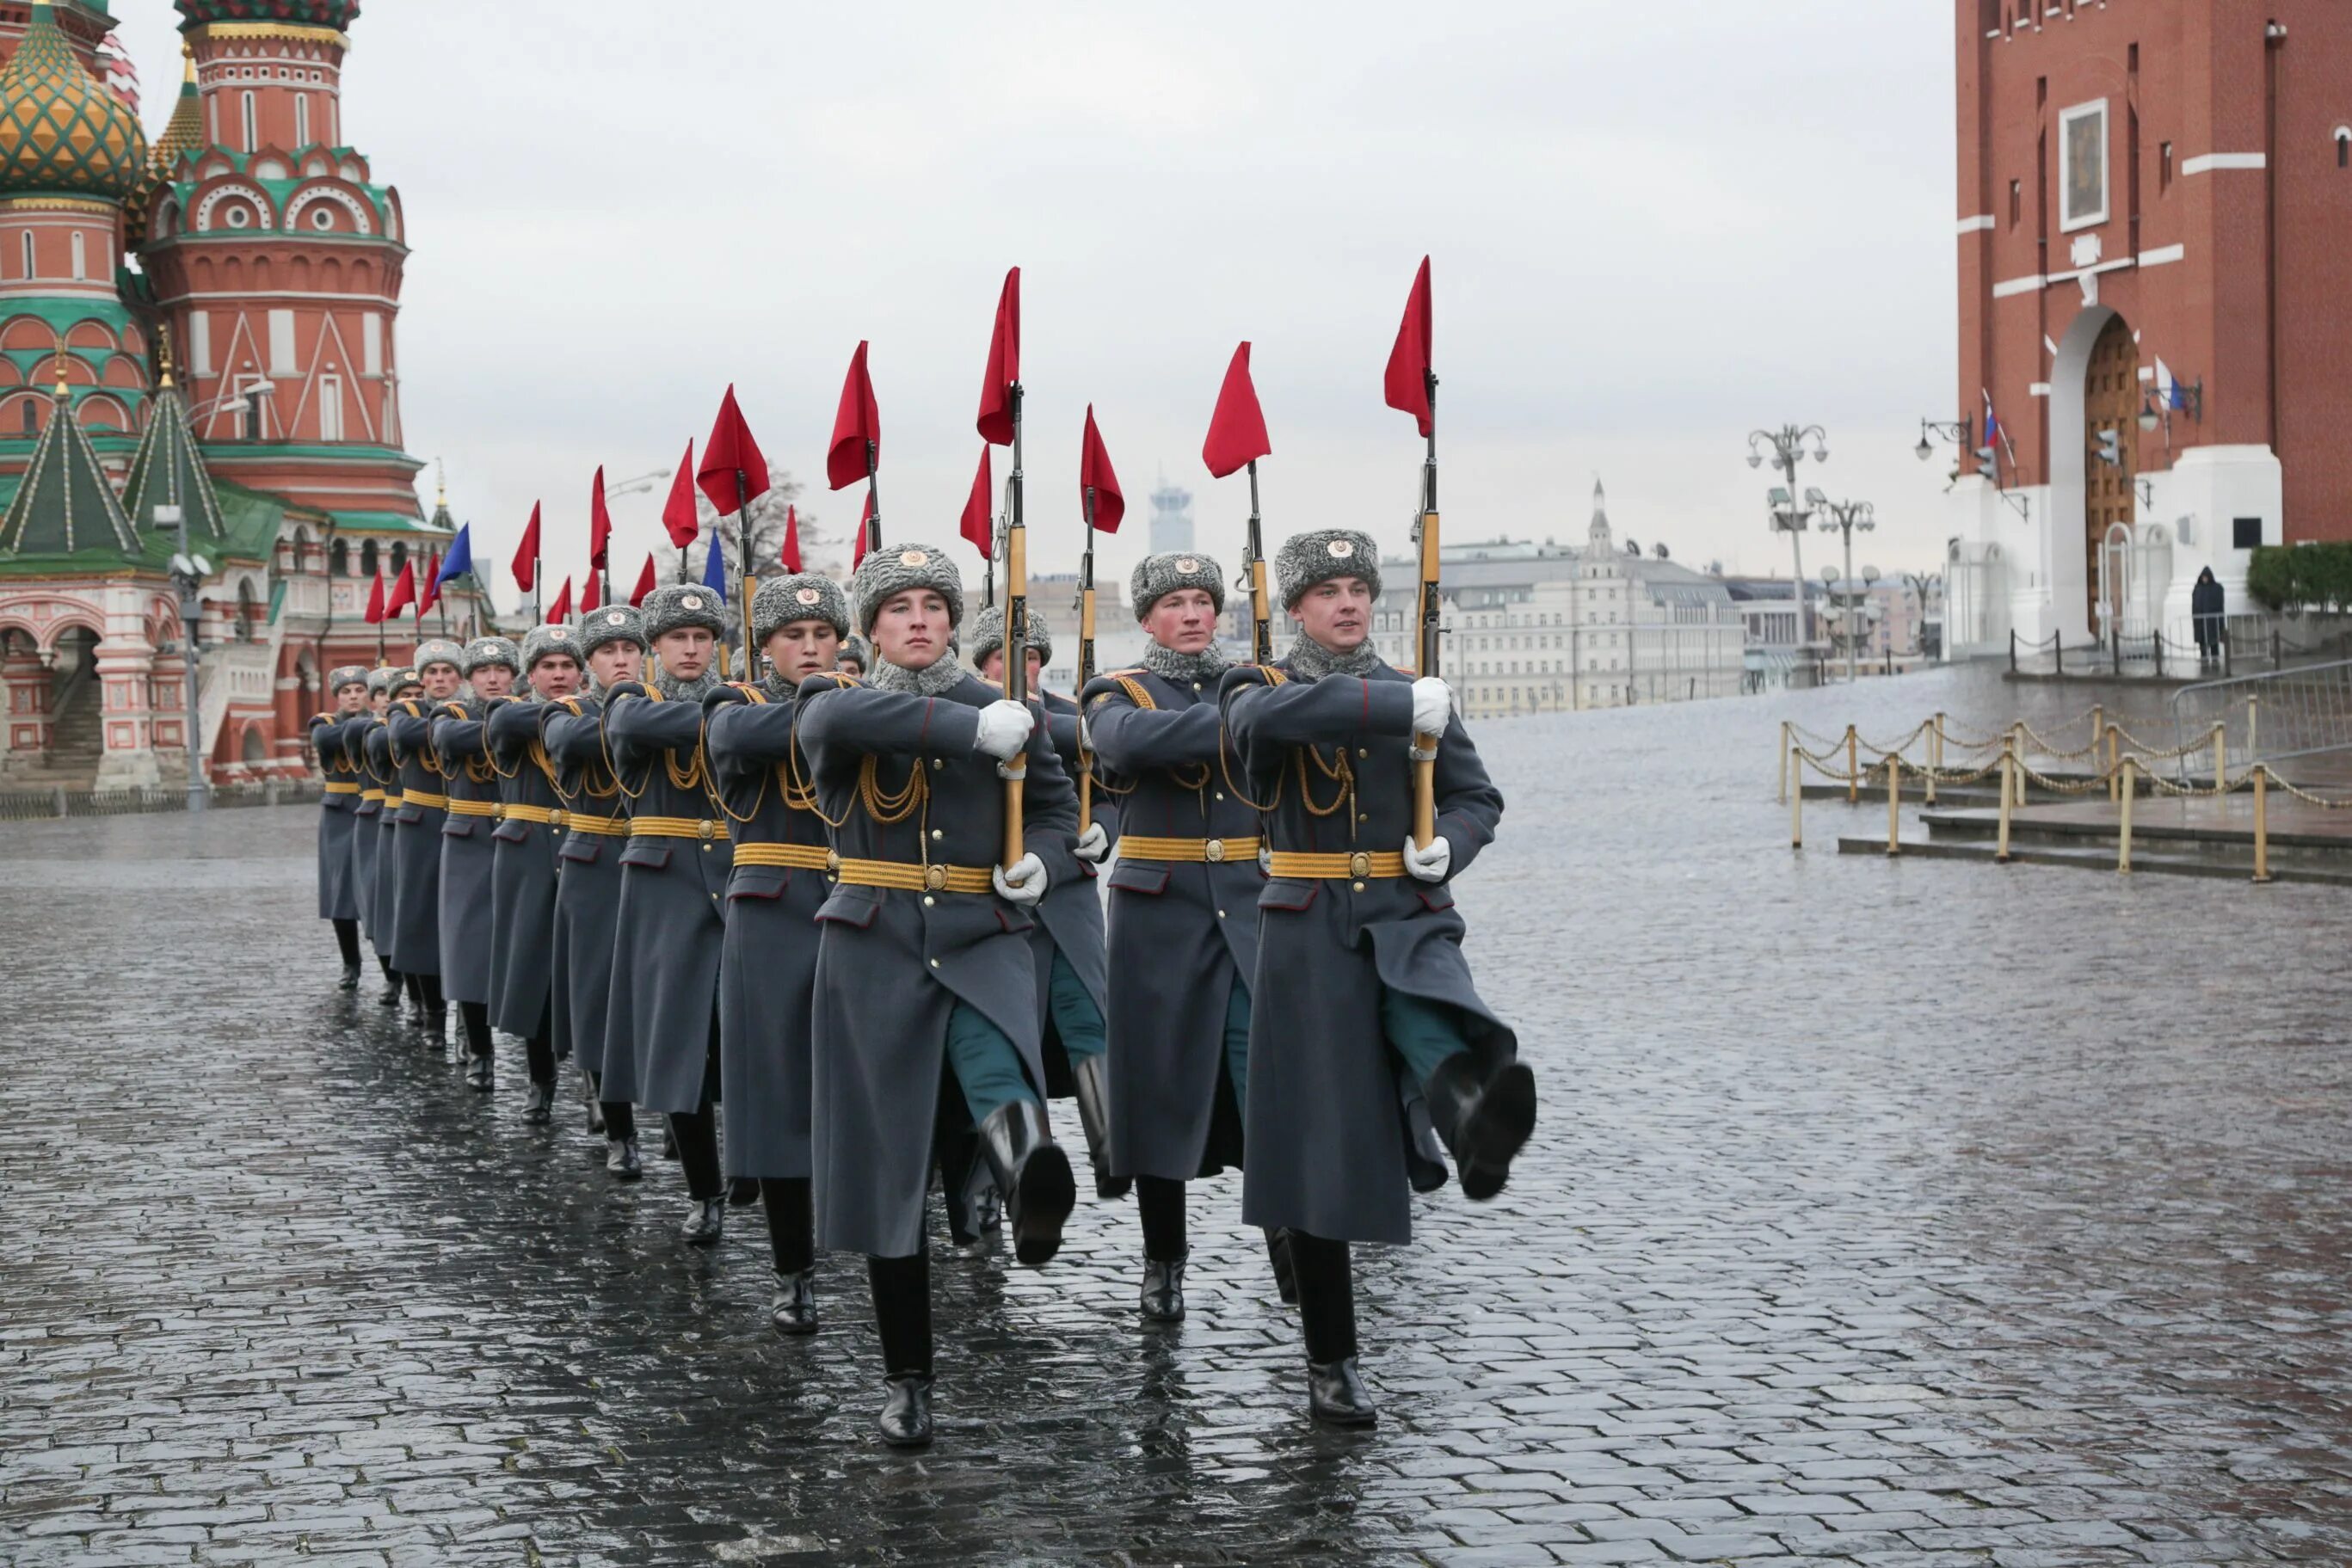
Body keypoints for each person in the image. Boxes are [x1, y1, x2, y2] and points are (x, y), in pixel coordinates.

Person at [1219, 528, 1532, 1428]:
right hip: (1308, 928)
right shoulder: (1261, 686)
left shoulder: (1415, 694)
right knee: (1318, 1151)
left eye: (1359, 587)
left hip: (1406, 911)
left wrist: (1449, 846)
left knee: (1435, 1019)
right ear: (1294, 608)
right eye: (1327, 590)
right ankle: (1331, 1359)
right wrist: (1397, 708)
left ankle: (1475, 1120)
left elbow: (1478, 798)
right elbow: (1261, 733)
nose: (1348, 602)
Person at [793, 542, 1082, 1448]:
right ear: (869, 627)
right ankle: (908, 1375)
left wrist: (1043, 857)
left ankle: (1028, 1176)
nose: (918, 619)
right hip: (872, 936)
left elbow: (1054, 809)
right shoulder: (830, 704)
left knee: (995, 1056)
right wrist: (971, 730)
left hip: (980, 928)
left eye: (932, 604)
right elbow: (853, 725)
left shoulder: (1002, 707)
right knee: (890, 1173)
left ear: (954, 620)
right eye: (897, 608)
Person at [1078, 553, 1271, 1321]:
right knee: (1158, 1092)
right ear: (1147, 617)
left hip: (1252, 908)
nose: (1193, 615)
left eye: (1203, 602)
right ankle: (1164, 1258)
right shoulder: (1115, 692)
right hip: (1157, 919)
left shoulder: (1255, 683)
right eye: (1175, 603)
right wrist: (1256, 717)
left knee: (1269, 1075)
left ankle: (1291, 1233)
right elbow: (1130, 747)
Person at [703, 574, 848, 1332]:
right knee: (780, 1094)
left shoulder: (864, 702)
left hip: (860, 904)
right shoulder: (736, 707)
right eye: (794, 637)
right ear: (765, 649)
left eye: (824, 634)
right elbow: (744, 742)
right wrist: (847, 706)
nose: (811, 646)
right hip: (772, 910)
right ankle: (793, 1268)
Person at [967, 606, 1119, 1202]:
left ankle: (1113, 1149)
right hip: (999, 894)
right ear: (984, 663)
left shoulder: (1072, 714)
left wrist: (1103, 827)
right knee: (1010, 1034)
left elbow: (1107, 790)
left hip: (1068, 892)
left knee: (1088, 1018)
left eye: (1032, 656)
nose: (1023, 666)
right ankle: (997, 1180)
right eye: (1009, 655)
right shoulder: (973, 715)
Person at [601, 586, 738, 1244]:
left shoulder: (743, 698)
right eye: (677, 637)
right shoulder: (633, 703)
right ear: (654, 647)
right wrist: (749, 714)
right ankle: (703, 1189)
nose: (690, 648)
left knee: (745, 1038)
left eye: (702, 637)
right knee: (682, 1044)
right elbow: (639, 731)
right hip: (666, 889)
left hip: (739, 880)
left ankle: (748, 1159)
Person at [542, 609, 649, 1176]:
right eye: (608, 652)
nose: (622, 659)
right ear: (591, 665)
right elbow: (580, 741)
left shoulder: (665, 704)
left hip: (660, 866)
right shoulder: (567, 715)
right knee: (600, 999)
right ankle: (621, 1129)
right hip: (597, 867)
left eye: (631, 648)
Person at [486, 625, 583, 1123]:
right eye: (548, 667)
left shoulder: (599, 713)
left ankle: (596, 1088)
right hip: (526, 859)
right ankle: (540, 1079)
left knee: (587, 975)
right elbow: (508, 728)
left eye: (568, 666)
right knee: (534, 975)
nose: (559, 674)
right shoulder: (508, 715)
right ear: (530, 676)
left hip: (583, 850)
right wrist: (578, 710)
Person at [430, 637, 519, 1091]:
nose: (492, 678)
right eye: (482, 671)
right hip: (471, 842)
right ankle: (480, 1049)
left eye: (501, 669)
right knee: (469, 950)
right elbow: (450, 740)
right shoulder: (452, 716)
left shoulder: (533, 713)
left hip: (524, 839)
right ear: (468, 680)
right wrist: (516, 725)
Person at [386, 639, 467, 1049]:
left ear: (460, 676)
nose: (439, 680)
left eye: (448, 672)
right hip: (421, 825)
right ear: (421, 679)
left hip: (469, 822)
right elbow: (406, 733)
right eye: (432, 673)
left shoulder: (474, 708)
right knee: (420, 921)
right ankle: (431, 1009)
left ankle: (468, 1022)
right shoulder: (406, 710)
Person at [361, 668, 422, 1016]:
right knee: (399, 914)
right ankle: (410, 991)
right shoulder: (379, 731)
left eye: (418, 694)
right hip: (395, 823)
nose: (413, 702)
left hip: (436, 825)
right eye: (405, 696)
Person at [311, 665, 372, 989]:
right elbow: (326, 740)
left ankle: (393, 972)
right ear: (336, 697)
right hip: (338, 816)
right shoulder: (326, 723)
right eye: (346, 692)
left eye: (359, 690)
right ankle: (351, 963)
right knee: (339, 893)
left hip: (372, 809)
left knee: (377, 891)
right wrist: (371, 726)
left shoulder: (382, 720)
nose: (352, 696)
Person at [348, 669, 398, 1005]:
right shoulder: (364, 729)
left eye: (390, 694)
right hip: (373, 820)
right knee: (376, 908)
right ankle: (392, 979)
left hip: (411, 820)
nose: (387, 700)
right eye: (380, 694)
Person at [2193, 567, 2225, 663]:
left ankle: (2215, 661)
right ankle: (2204, 661)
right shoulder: (2198, 589)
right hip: (2201, 622)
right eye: (2203, 577)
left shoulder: (2217, 588)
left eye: (2206, 577)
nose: (2204, 579)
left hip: (2212, 621)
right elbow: (2195, 606)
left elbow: (2220, 605)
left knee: (2213, 642)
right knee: (2203, 644)